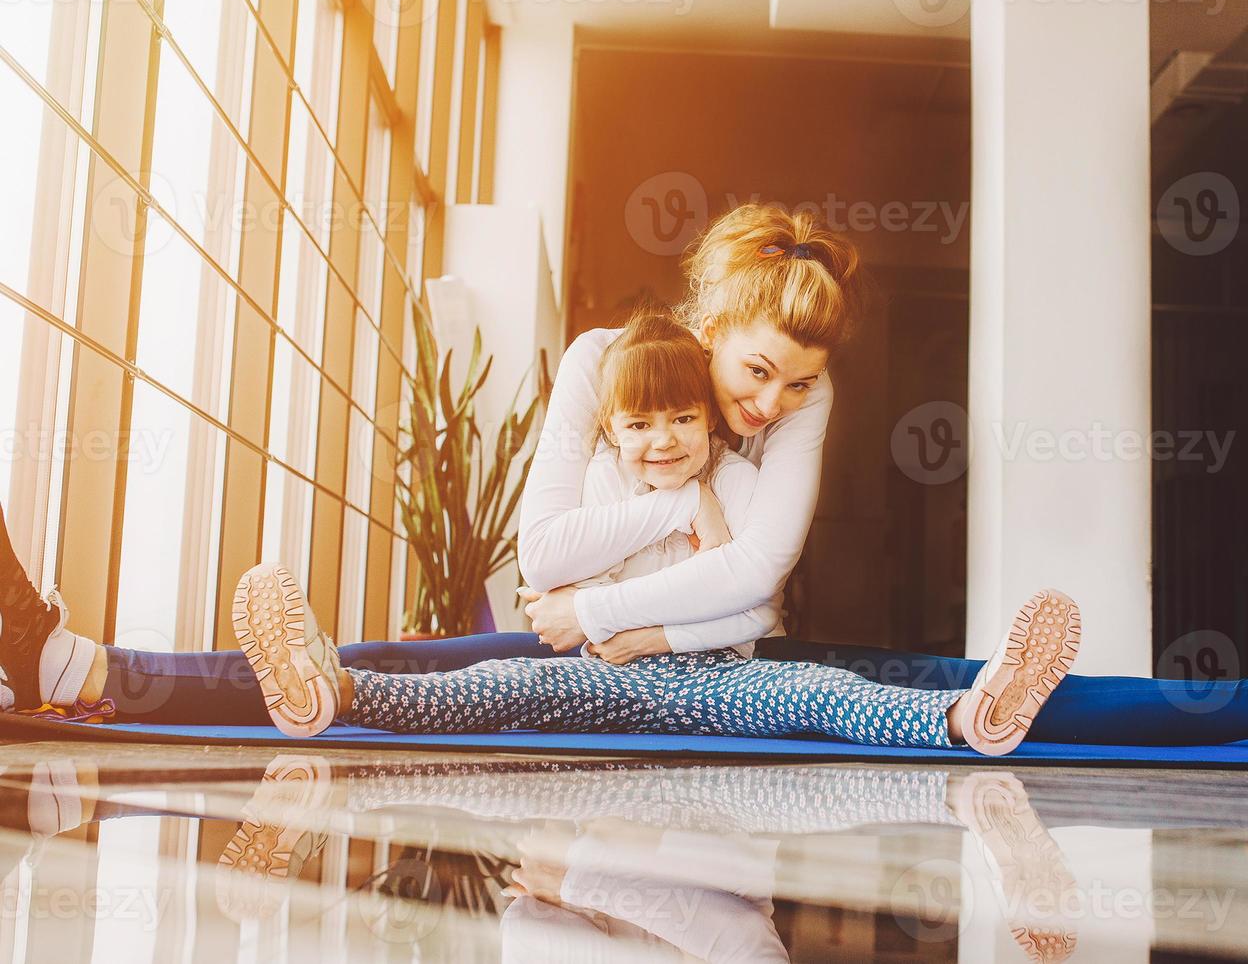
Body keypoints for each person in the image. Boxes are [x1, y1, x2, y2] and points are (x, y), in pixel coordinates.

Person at [0, 204, 1248, 753]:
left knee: (917, 681)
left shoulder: (799, 406)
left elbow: (755, 581)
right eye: (754, 376)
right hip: (583, 644)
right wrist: (647, 543)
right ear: (697, 326)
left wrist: (624, 615)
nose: (772, 408)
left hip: (709, 656)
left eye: (799, 388)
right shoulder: (593, 370)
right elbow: (537, 555)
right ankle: (90, 666)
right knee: (416, 669)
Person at [226, 311, 1082, 754]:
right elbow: (551, 574)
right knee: (478, 689)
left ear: (712, 424)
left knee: (824, 695)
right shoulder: (602, 482)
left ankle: (974, 715)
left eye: (682, 419)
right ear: (612, 428)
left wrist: (638, 632)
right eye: (639, 425)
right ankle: (326, 694)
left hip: (717, 682)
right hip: (592, 680)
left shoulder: (740, 481)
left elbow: (753, 616)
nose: (663, 440)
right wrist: (669, 522)